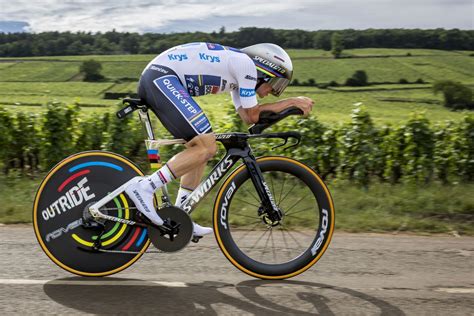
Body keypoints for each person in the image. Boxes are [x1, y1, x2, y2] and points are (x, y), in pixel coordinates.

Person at [125, 42, 314, 237]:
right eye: (275, 84)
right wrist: (291, 102)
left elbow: (249, 118)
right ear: (264, 70)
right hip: (161, 77)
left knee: (201, 149)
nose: (273, 92)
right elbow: (254, 113)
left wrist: (288, 110)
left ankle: (180, 214)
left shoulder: (239, 73)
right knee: (206, 146)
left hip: (161, 78)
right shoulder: (246, 65)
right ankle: (144, 188)